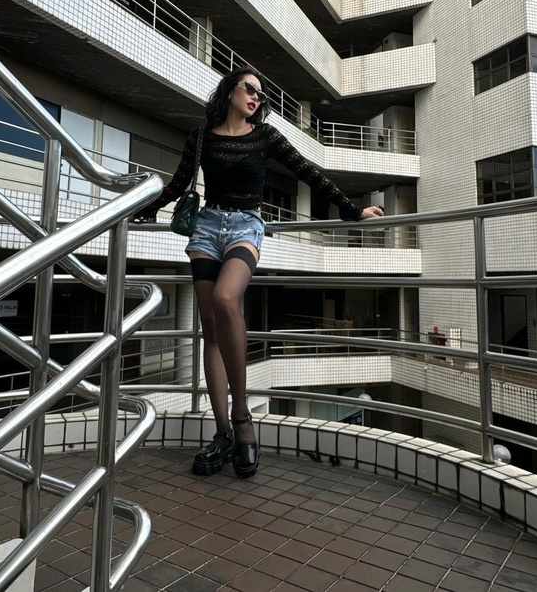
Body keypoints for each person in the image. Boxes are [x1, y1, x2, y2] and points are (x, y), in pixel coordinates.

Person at [134, 66, 384, 478]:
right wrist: (143, 210)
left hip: (245, 226)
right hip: (206, 229)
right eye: (249, 88)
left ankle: (242, 416)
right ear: (229, 90)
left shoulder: (265, 136)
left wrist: (352, 210)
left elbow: (307, 171)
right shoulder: (200, 138)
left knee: (225, 298)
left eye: (260, 94)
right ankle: (221, 433)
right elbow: (178, 185)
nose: (255, 97)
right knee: (211, 331)